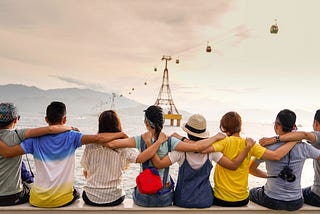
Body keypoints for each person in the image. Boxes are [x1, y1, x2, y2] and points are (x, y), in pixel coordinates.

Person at [0, 101, 127, 208]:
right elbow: (99, 139)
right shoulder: (72, 137)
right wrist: (121, 134)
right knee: (76, 191)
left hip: (37, 200)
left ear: (46, 119)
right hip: (63, 200)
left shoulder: (34, 140)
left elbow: (9, 152)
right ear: (64, 119)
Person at [104, 105, 226, 207]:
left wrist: (122, 134)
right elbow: (196, 147)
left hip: (143, 197)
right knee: (170, 182)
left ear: (146, 123)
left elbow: (111, 144)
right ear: (163, 122)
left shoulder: (140, 139)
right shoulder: (170, 141)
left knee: (136, 188)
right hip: (164, 198)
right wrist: (215, 138)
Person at [150, 113, 255, 208]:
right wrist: (247, 148)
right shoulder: (212, 152)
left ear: (188, 133)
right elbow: (233, 165)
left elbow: (159, 164)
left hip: (182, 200)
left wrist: (152, 144)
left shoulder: (181, 151)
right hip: (205, 200)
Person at [200, 111, 298, 207]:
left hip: (221, 199)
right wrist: (294, 140)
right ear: (240, 126)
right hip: (242, 200)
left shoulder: (223, 142)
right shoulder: (250, 144)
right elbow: (276, 155)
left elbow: (202, 149)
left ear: (224, 128)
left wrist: (214, 138)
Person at [81, 110, 167, 206]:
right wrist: (158, 142)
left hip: (90, 197)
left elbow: (86, 171)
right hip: (114, 197)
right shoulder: (123, 146)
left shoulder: (90, 145)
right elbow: (140, 158)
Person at [0, 102, 73, 206]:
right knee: (31, 187)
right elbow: (50, 129)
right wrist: (70, 128)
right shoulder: (18, 135)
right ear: (15, 120)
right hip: (11, 197)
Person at [249, 109, 320, 211]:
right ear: (294, 127)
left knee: (252, 192)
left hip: (272, 200)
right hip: (296, 202)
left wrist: (269, 176)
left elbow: (251, 169)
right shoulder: (304, 147)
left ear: (276, 126)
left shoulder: (267, 147)